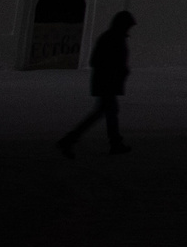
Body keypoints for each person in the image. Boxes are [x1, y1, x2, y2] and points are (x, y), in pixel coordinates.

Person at [57, 10, 134, 156]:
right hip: (107, 83)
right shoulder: (113, 38)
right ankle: (71, 140)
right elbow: (99, 61)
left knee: (106, 112)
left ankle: (112, 142)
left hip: (106, 83)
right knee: (107, 113)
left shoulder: (112, 37)